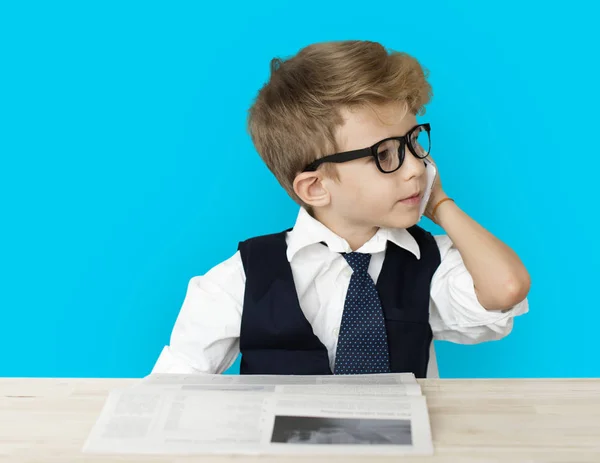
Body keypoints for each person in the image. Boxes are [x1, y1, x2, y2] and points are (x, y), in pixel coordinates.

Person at [151, 40, 530, 377]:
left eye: (414, 141)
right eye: (385, 154)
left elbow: (506, 288)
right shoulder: (243, 278)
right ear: (315, 187)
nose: (416, 167)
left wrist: (442, 204)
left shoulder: (428, 261)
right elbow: (174, 389)